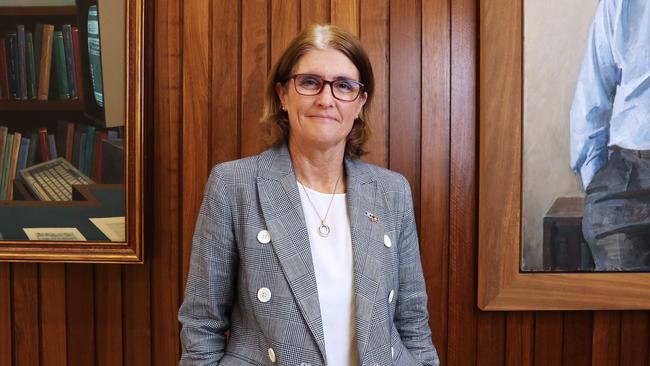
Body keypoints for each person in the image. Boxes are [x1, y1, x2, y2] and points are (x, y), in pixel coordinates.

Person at [178, 24, 439, 365]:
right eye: (310, 82)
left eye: (344, 86)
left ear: (360, 103)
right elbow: (201, 324)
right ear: (283, 95)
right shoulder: (233, 185)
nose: (326, 99)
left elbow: (413, 322)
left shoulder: (391, 191)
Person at [570, 0, 650, 271]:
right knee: (620, 304)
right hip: (626, 180)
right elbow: (591, 96)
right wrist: (599, 185)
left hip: (626, 179)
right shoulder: (621, 2)